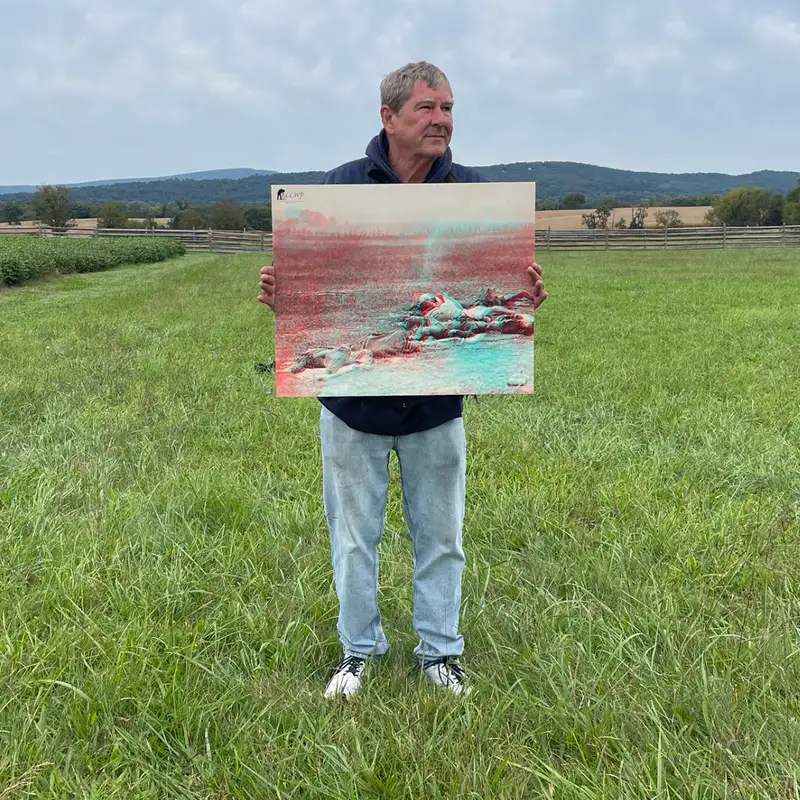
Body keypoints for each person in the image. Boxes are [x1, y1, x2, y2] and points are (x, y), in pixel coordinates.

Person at [258, 61, 548, 698]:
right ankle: (358, 652)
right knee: (354, 542)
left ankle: (440, 652)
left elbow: (493, 302)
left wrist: (520, 303)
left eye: (448, 108)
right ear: (388, 117)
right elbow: (316, 305)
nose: (442, 120)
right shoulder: (335, 190)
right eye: (428, 109)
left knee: (442, 541)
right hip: (351, 409)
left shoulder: (476, 195)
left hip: (436, 407)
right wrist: (288, 300)